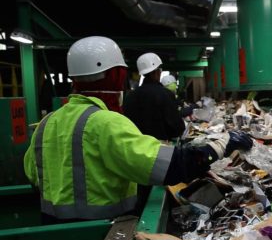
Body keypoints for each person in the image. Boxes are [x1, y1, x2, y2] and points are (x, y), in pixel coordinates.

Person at [23, 36, 252, 223]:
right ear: (116, 76)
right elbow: (168, 167)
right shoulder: (104, 123)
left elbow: (34, 175)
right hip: (103, 233)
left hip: (51, 231)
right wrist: (220, 145)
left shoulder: (46, 124)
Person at [123, 53, 185, 141]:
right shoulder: (165, 94)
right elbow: (177, 128)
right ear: (157, 72)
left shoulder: (130, 96)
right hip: (160, 149)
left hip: (136, 147)